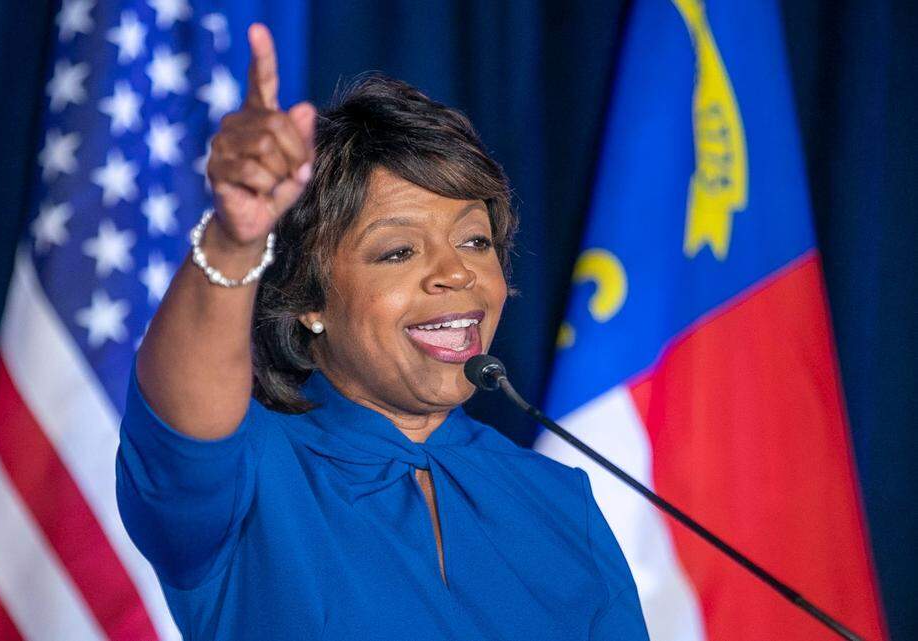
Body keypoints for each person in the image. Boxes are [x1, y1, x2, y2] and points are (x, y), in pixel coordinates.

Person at [116, 23, 649, 641]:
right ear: (309, 300)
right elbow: (180, 421)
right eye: (398, 252)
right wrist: (234, 241)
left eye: (476, 241)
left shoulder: (559, 501)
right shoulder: (248, 478)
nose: (457, 272)